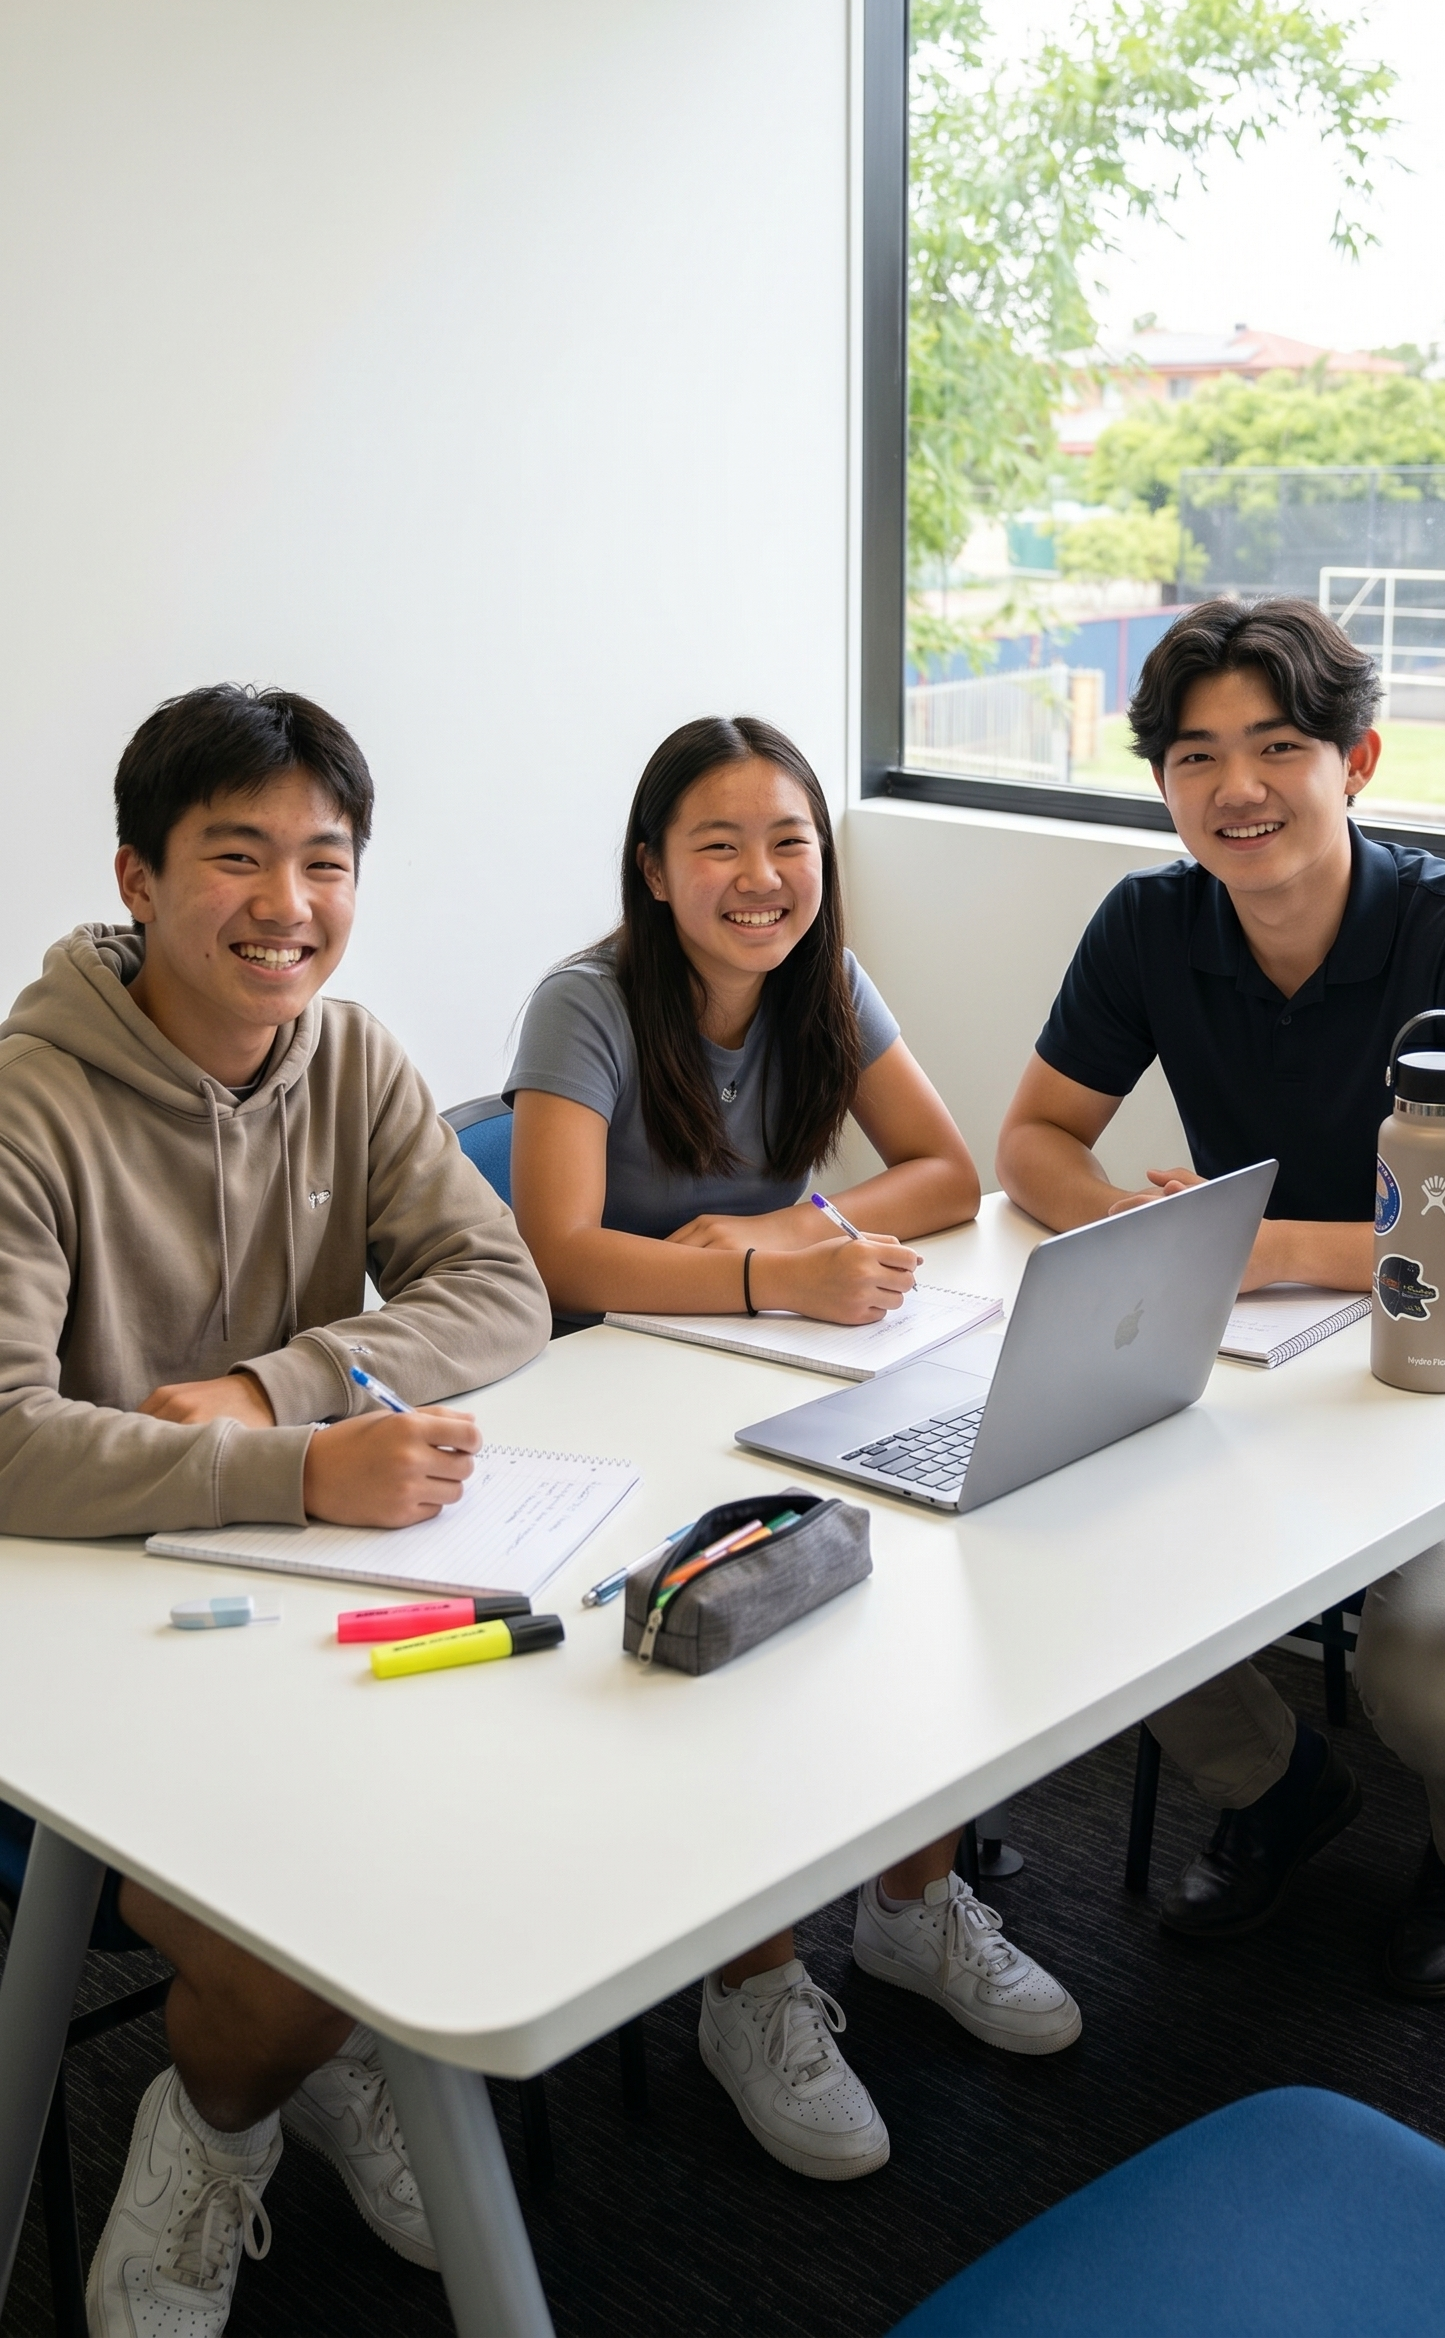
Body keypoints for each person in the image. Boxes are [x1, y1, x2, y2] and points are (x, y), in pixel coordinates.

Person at [0, 684, 551, 2338]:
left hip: (297, 1607)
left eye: (325, 860)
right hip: (76, 1647)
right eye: (236, 857)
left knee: (507, 1821)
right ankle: (218, 2120)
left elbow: (499, 1287)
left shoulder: (353, 1056)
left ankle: (297, 2069)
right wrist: (293, 1471)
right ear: (137, 877)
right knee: (308, 1938)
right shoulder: (29, 1099)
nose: (288, 906)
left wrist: (278, 1391)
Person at [508, 712, 1081, 2183]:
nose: (760, 877)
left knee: (954, 1554)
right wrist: (782, 1274)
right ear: (652, 868)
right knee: (738, 1639)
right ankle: (751, 1985)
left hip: (764, 1356)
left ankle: (909, 1903)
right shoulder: (584, 1003)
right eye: (719, 845)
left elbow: (947, 1173)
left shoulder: (825, 979)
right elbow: (562, 1259)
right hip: (611, 1398)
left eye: (789, 843)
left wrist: (787, 1231)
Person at [996, 597, 1445, 1997]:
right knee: (1054, 1534)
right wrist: (1145, 1231)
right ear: (1166, 786)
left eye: (1278, 745)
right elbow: (1034, 1142)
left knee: (1421, 1663)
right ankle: (1279, 1784)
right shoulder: (1151, 927)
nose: (1236, 788)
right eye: (1194, 757)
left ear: (1354, 763)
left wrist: (1283, 1244)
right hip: (1253, 1357)